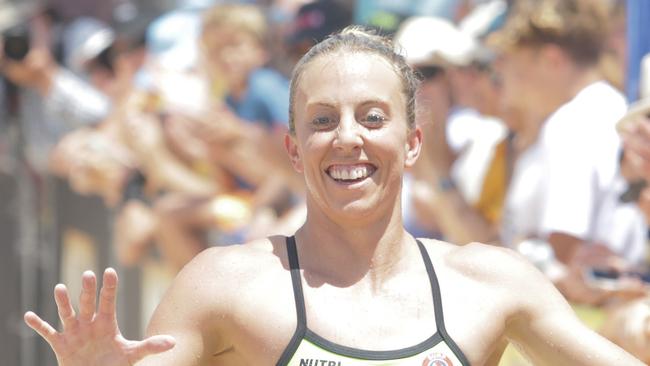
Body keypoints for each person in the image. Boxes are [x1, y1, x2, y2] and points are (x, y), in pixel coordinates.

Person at [23, 27, 644, 365]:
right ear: (294, 150)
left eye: (373, 117)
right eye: (322, 121)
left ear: (412, 143)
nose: (347, 138)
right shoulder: (224, 284)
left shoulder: (490, 283)